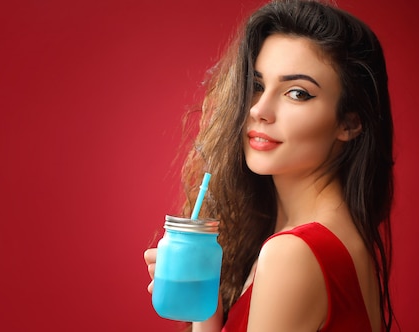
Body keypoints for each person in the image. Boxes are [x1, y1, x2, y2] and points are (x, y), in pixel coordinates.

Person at [144, 0, 395, 331]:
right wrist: (205, 307)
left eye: (297, 93)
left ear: (349, 122)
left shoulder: (293, 254)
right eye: (258, 85)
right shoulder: (331, 238)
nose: (259, 109)